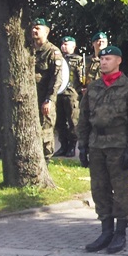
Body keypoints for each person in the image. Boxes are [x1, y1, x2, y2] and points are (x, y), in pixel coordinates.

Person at [77, 46, 128, 254]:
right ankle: (106, 230)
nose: (103, 62)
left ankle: (120, 232)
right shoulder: (94, 87)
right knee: (99, 188)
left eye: (108, 59)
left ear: (118, 61)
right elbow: (83, 117)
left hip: (118, 144)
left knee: (120, 189)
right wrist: (82, 145)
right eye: (102, 59)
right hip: (97, 144)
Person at [31, 19, 64, 158]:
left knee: (46, 129)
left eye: (37, 28)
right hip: (30, 98)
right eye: (33, 27)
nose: (34, 30)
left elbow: (57, 78)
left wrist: (49, 100)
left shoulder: (52, 51)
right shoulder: (28, 50)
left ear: (46, 31)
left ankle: (46, 159)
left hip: (44, 97)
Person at [54, 36, 83, 158]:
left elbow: (81, 78)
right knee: (59, 121)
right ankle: (63, 145)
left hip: (72, 94)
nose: (64, 46)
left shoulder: (78, 60)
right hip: (58, 93)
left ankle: (72, 146)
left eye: (67, 44)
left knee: (73, 121)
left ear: (73, 46)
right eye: (63, 44)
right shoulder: (57, 58)